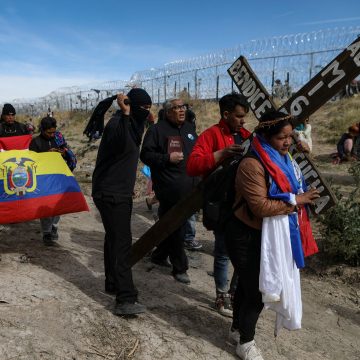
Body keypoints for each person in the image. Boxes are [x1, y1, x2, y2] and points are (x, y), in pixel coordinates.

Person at [225, 111, 320, 360]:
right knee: (258, 290)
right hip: (245, 235)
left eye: (290, 136)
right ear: (266, 137)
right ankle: (246, 343)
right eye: (281, 138)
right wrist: (296, 201)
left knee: (248, 288)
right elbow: (260, 207)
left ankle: (237, 329)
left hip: (267, 234)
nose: (287, 142)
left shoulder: (284, 160)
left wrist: (299, 196)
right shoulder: (252, 164)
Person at [187, 93, 251, 317]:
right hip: (221, 203)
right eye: (239, 116)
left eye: (245, 117)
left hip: (243, 204)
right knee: (223, 251)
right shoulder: (211, 135)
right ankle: (222, 296)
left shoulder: (246, 136)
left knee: (243, 253)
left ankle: (235, 293)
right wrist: (220, 154)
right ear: (226, 114)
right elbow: (193, 165)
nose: (243, 121)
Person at [92, 88, 152, 316]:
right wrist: (126, 113)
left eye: (149, 108)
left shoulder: (132, 124)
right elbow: (119, 142)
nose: (146, 112)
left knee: (114, 239)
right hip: (110, 193)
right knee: (122, 243)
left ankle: (112, 282)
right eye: (143, 108)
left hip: (118, 192)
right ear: (130, 105)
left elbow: (126, 154)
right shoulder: (117, 124)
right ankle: (125, 298)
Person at [140, 98, 198, 284]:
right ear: (167, 112)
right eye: (177, 108)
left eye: (183, 107)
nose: (182, 110)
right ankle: (180, 267)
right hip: (168, 189)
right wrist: (166, 158)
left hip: (190, 188)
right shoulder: (156, 130)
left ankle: (159, 255)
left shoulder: (189, 129)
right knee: (177, 228)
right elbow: (146, 155)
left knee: (167, 224)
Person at [29, 116, 76, 245]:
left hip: (58, 176)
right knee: (46, 205)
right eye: (49, 132)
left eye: (53, 132)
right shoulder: (35, 142)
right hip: (43, 178)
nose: (52, 135)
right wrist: (47, 154)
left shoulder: (58, 139)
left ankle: (54, 226)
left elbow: (67, 153)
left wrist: (63, 153)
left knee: (58, 204)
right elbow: (32, 161)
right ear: (42, 130)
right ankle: (46, 233)